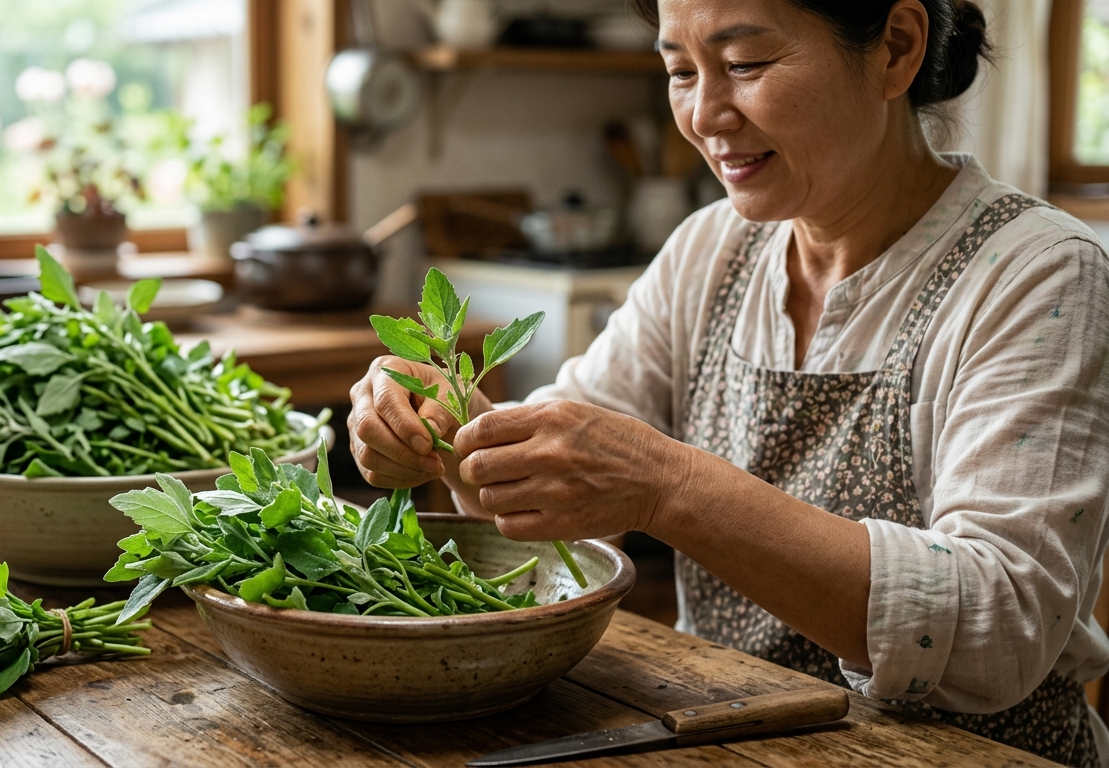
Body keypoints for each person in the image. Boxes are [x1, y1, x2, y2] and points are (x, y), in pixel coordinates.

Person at [346, 0, 1109, 763]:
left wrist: (667, 485)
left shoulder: (1039, 275)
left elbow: (999, 629)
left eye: (744, 65)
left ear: (897, 49)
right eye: (680, 70)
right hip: (734, 738)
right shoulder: (712, 249)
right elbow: (560, 503)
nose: (705, 115)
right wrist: (455, 435)